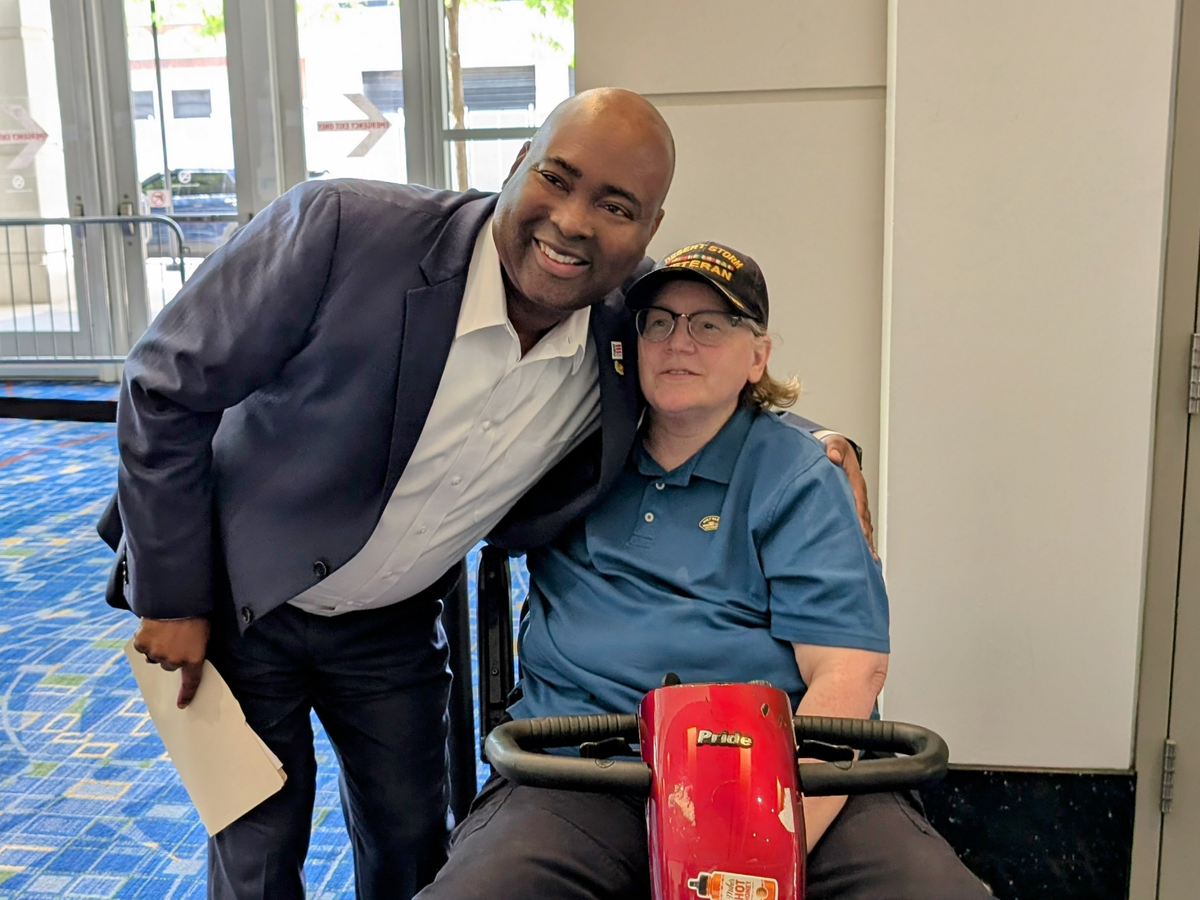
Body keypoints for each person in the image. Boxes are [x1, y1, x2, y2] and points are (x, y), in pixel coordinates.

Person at [100, 90, 871, 900]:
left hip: (394, 622)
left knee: (414, 839)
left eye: (615, 207)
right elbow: (162, 385)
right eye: (556, 179)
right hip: (237, 597)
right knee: (257, 850)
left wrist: (822, 446)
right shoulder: (341, 229)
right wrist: (172, 595)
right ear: (515, 165)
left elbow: (705, 381)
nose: (571, 222)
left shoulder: (625, 315)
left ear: (649, 229)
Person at [417, 243, 993, 900]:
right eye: (659, 323)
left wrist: (764, 850)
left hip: (777, 767)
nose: (678, 342)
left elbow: (849, 672)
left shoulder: (800, 476)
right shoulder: (573, 450)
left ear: (757, 357)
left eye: (710, 324)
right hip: (585, 766)